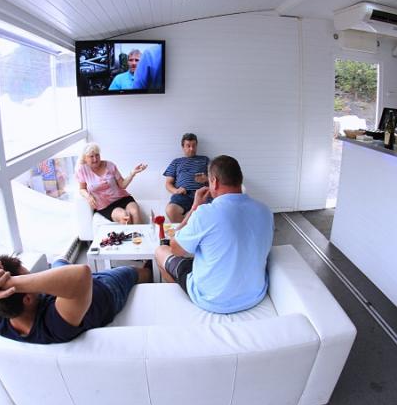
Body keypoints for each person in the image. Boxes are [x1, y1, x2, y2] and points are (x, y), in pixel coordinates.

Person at [154, 155, 274, 314]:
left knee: (161, 251)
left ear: (214, 181)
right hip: (253, 295)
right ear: (239, 179)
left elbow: (176, 249)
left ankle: (183, 300)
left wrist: (195, 207)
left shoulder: (206, 213)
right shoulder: (265, 210)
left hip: (213, 300)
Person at [0, 244, 151, 344]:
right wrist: (12, 283)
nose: (30, 274)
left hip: (67, 289)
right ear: (27, 297)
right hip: (106, 291)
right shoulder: (53, 324)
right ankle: (150, 272)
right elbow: (82, 275)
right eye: (26, 275)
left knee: (58, 262)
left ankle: (60, 262)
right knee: (131, 271)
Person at [77, 143, 147, 224]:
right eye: (91, 156)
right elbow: (82, 189)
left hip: (123, 199)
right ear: (85, 158)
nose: (95, 159)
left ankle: (141, 232)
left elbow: (122, 185)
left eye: (97, 155)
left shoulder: (110, 165)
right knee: (124, 216)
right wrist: (88, 196)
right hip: (105, 206)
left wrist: (133, 173)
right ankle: (131, 232)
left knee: (135, 212)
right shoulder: (82, 170)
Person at [163, 133, 210, 222]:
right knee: (170, 210)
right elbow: (168, 183)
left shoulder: (205, 159)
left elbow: (215, 179)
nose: (191, 149)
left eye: (194, 146)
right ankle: (188, 228)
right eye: (188, 146)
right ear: (183, 147)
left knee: (204, 213)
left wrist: (206, 179)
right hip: (183, 194)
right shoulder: (176, 162)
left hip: (202, 193)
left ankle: (189, 224)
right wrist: (176, 191)